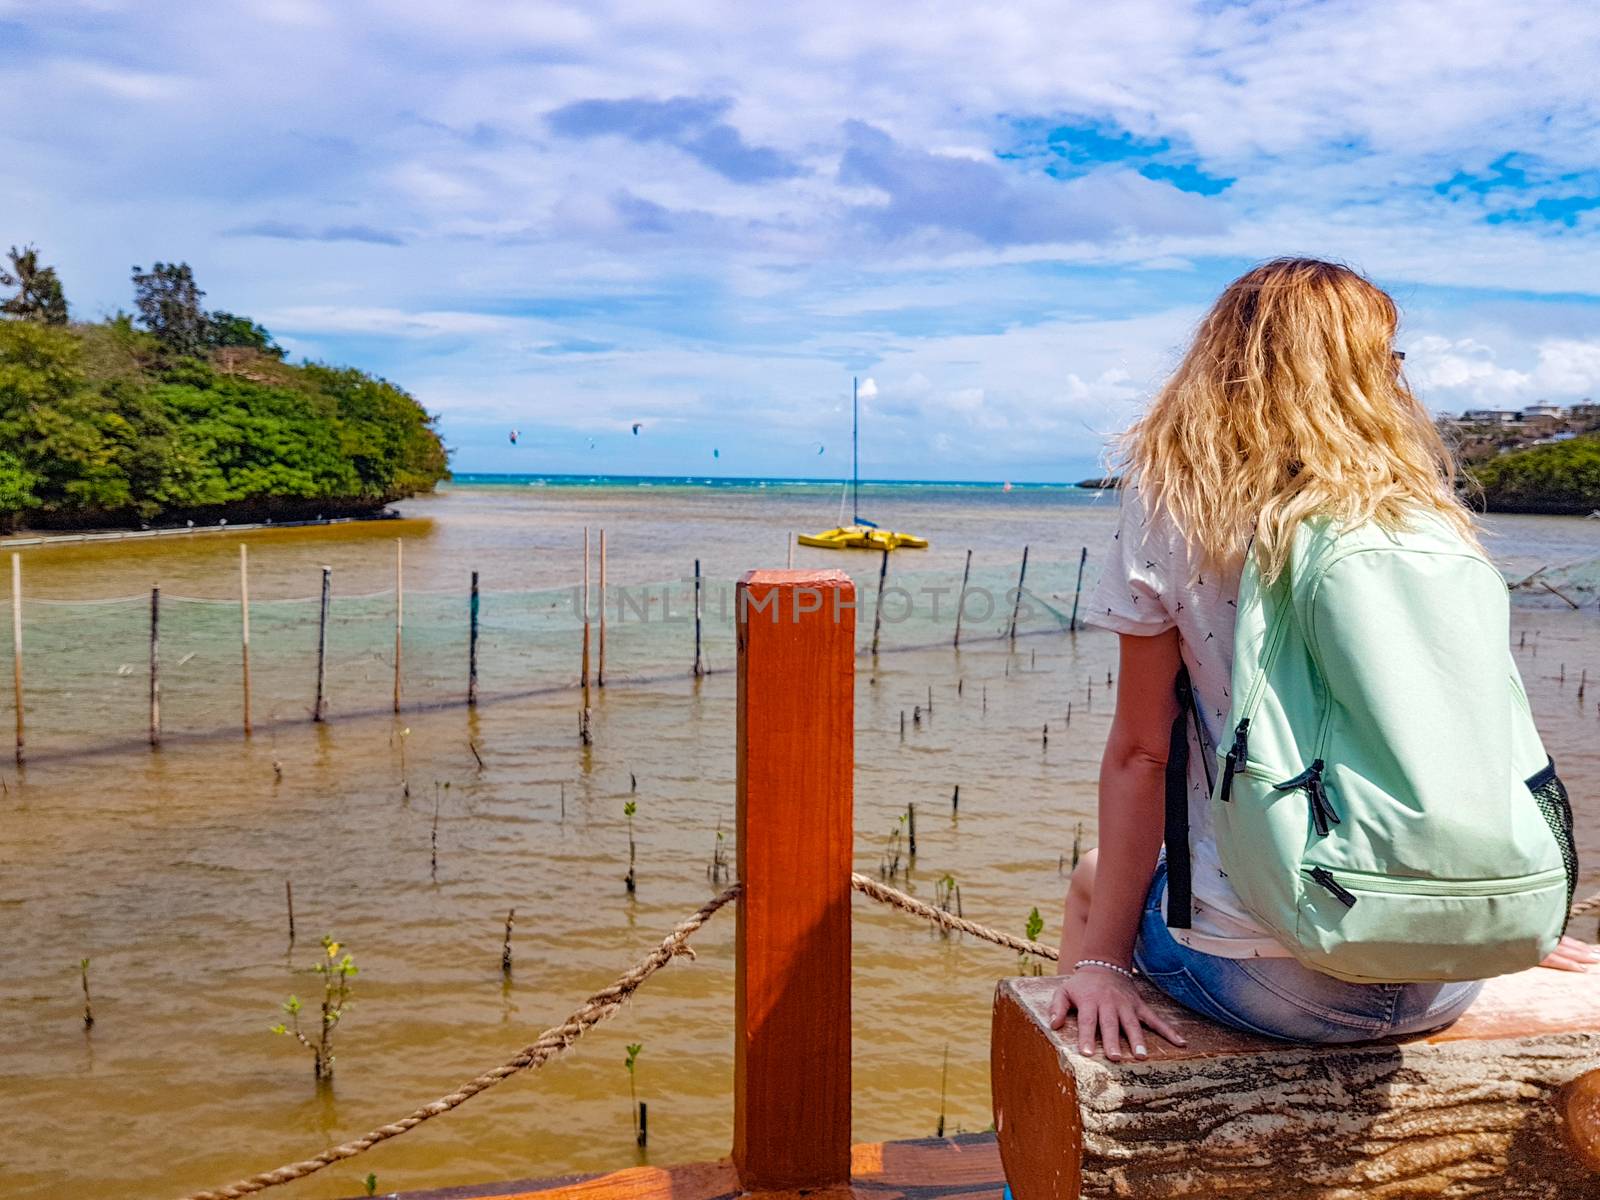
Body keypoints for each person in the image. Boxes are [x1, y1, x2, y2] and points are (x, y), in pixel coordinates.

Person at [1051, 257, 1598, 1062]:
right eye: (1390, 354)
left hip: (1278, 984)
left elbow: (1142, 752)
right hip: (1459, 968)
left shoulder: (1179, 503)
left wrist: (1103, 962)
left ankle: (1056, 1145)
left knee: (1096, 875)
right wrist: (1485, 908)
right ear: (1359, 369)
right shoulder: (1424, 511)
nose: (1399, 371)